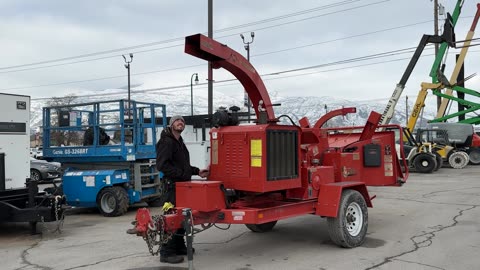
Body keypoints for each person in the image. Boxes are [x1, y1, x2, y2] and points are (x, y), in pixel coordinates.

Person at [156, 115, 209, 264]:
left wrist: (197, 171)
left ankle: (179, 246)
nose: (180, 123)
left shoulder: (179, 142)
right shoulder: (166, 142)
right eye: (177, 121)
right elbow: (162, 165)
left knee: (182, 217)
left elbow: (183, 166)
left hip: (182, 186)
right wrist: (180, 175)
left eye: (182, 121)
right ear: (171, 125)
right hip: (171, 187)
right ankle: (166, 253)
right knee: (170, 219)